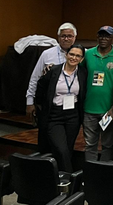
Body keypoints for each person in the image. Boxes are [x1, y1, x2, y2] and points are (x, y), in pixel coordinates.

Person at [35, 44, 87, 172]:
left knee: (68, 148)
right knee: (61, 148)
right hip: (55, 115)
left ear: (81, 59)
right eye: (72, 54)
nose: (74, 58)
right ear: (66, 55)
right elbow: (40, 88)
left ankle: (59, 177)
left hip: (73, 115)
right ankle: (69, 179)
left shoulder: (83, 73)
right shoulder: (53, 71)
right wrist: (40, 107)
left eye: (78, 56)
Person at [27, 22, 77, 153]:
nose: (66, 39)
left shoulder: (81, 54)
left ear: (75, 38)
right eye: (63, 36)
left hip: (72, 108)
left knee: (68, 144)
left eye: (70, 36)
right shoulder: (47, 54)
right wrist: (29, 101)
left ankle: (63, 171)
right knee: (46, 140)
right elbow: (35, 78)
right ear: (58, 37)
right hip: (48, 105)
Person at [82, 26, 113, 161]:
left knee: (107, 145)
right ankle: (90, 174)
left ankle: (103, 174)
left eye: (107, 36)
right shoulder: (88, 54)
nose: (103, 38)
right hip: (89, 108)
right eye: (101, 35)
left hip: (108, 110)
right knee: (90, 144)